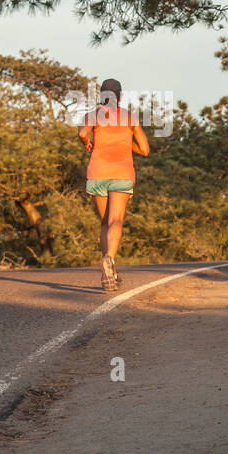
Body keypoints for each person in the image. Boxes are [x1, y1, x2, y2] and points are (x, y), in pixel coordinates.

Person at [79, 78, 150, 293]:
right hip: (122, 173)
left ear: (101, 96)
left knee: (104, 223)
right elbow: (145, 150)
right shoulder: (130, 118)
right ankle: (109, 259)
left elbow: (83, 133)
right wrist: (126, 143)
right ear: (120, 97)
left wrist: (88, 143)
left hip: (98, 173)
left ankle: (108, 268)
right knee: (116, 220)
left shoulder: (93, 115)